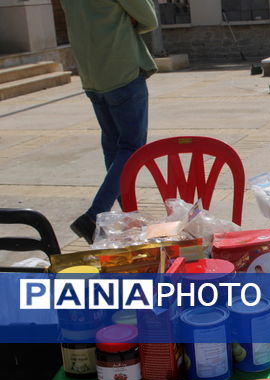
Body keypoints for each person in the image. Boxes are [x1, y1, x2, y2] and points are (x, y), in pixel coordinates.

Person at [61, 0, 158, 244]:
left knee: (115, 148)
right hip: (122, 72)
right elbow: (149, 19)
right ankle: (95, 215)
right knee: (131, 148)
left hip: (92, 76)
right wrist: (127, 19)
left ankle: (129, 216)